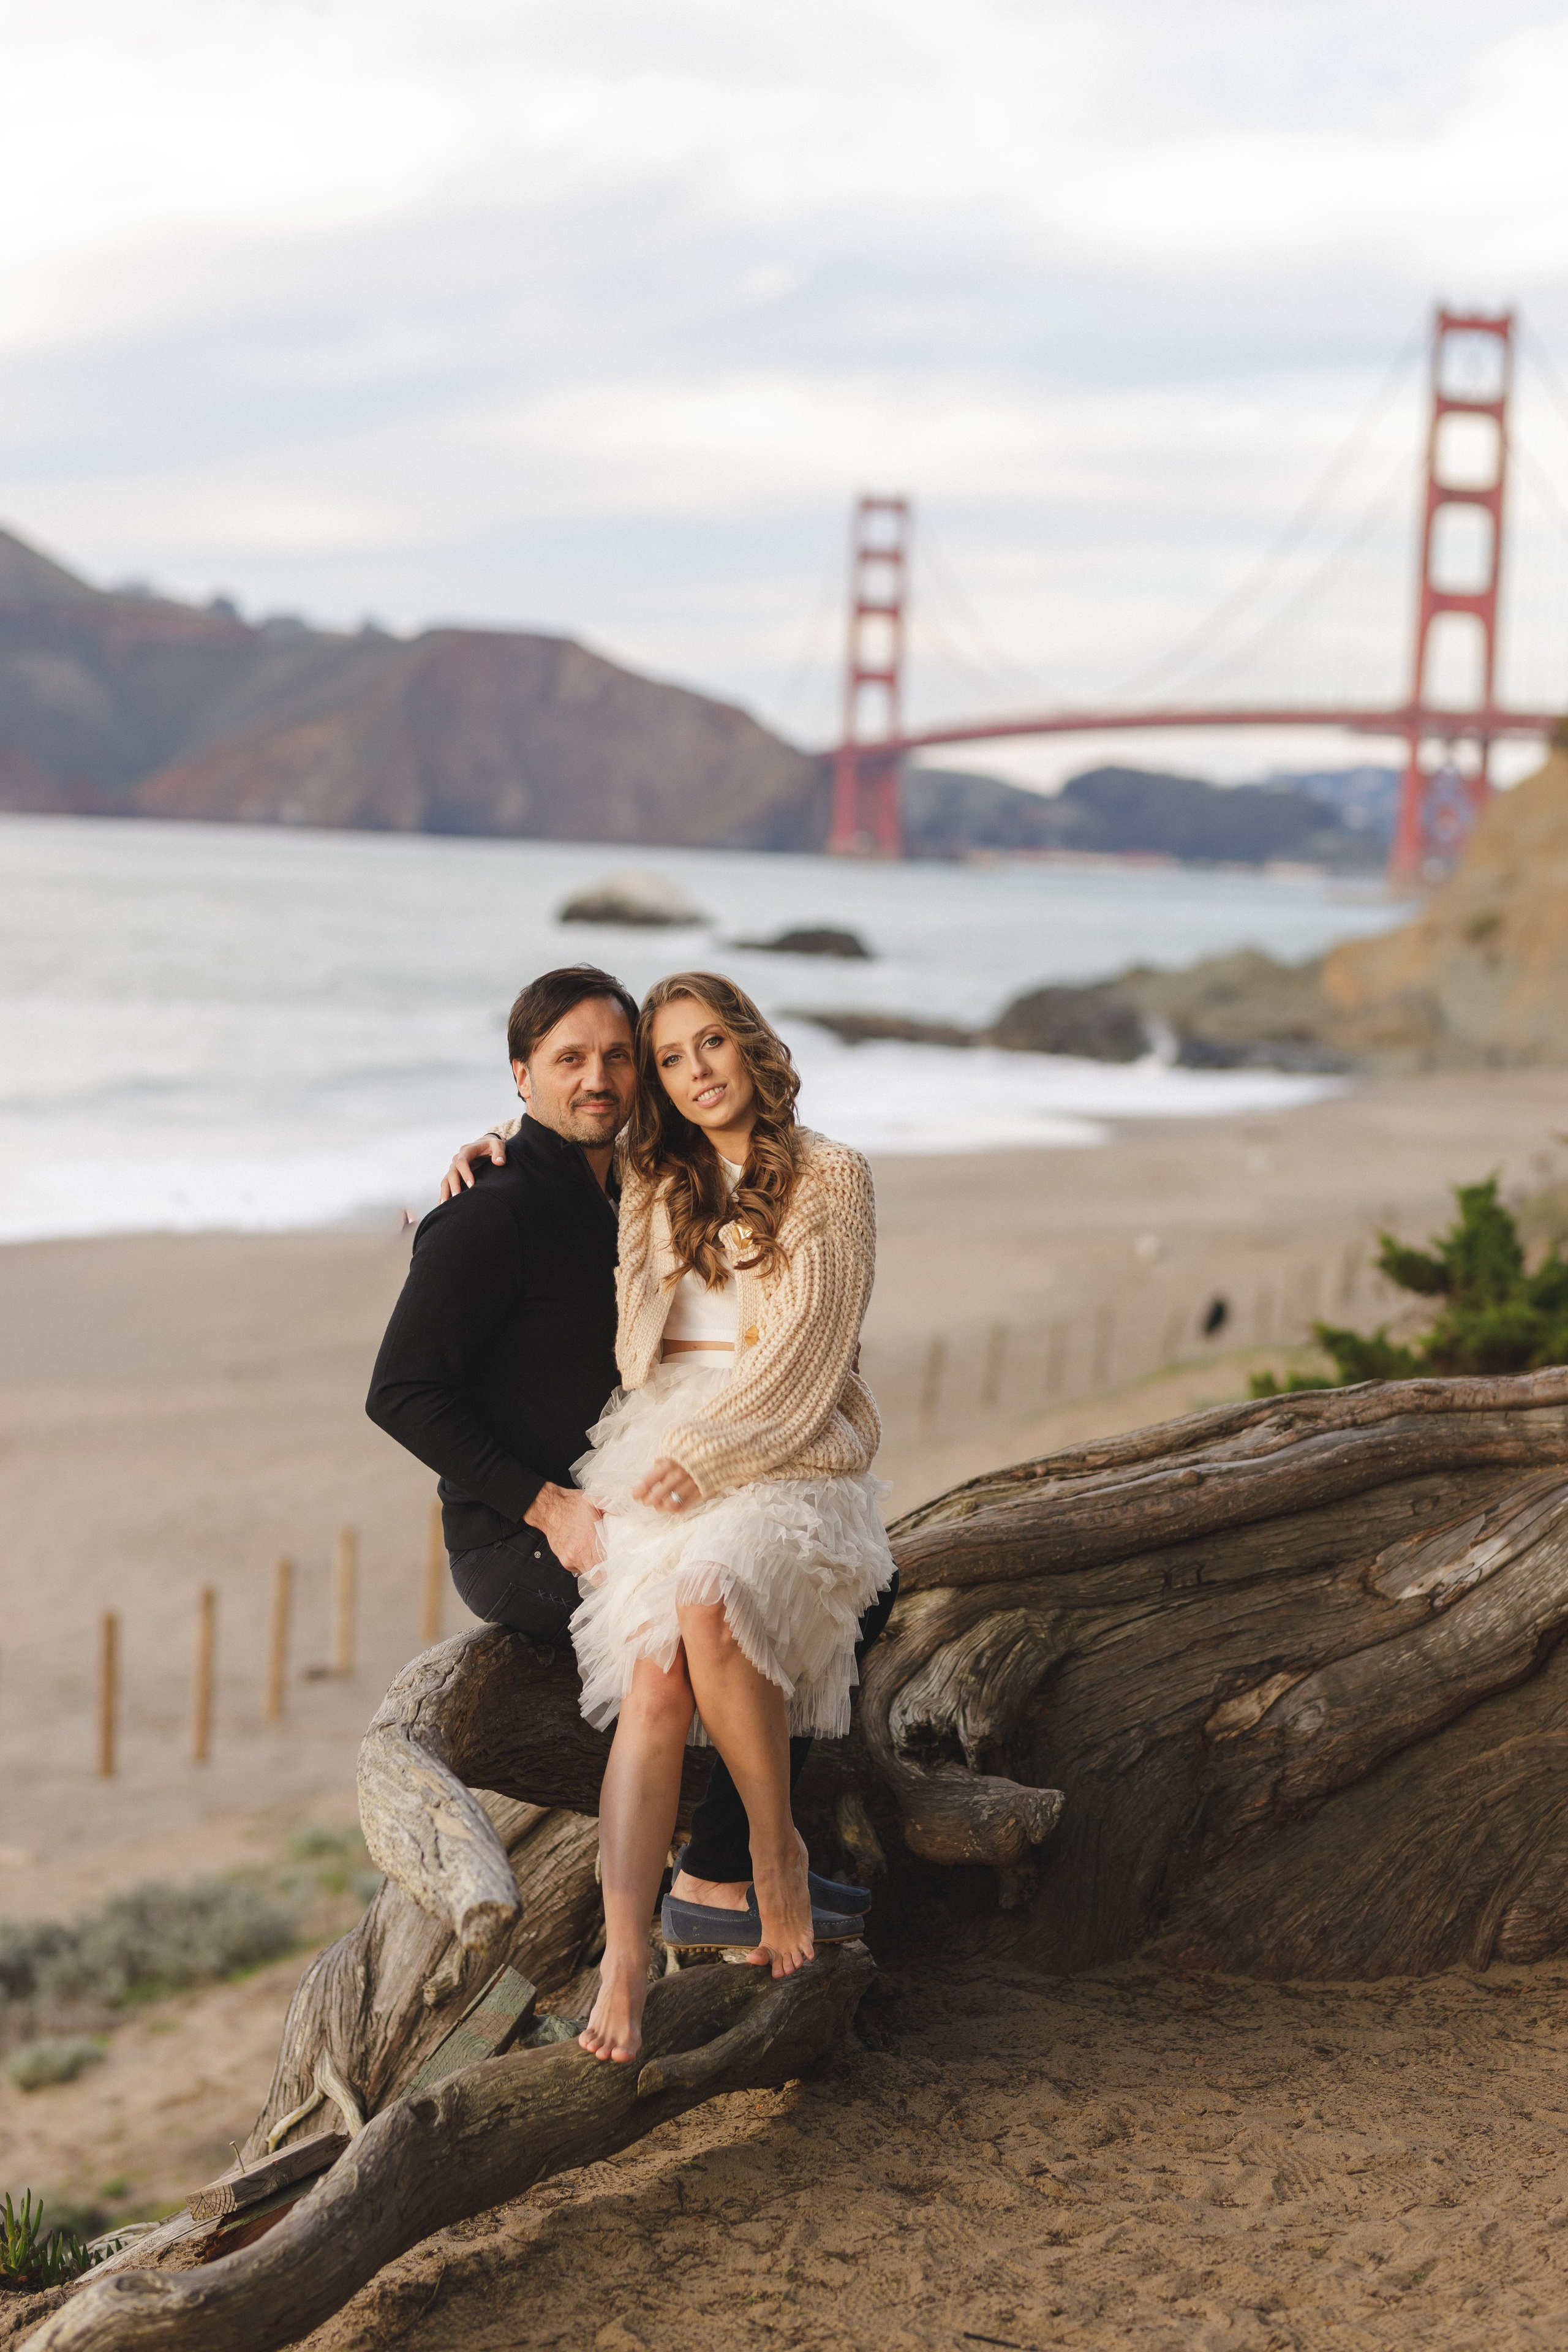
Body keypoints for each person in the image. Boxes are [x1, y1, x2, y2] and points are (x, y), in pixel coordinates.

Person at [369, 963, 893, 1978]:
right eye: (571, 1062)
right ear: (522, 1076)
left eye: (619, 1058)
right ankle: (704, 1893)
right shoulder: (492, 1210)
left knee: (838, 1593)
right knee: (687, 1638)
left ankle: (727, 1871)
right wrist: (546, 1503)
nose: (600, 1079)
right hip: (526, 1522)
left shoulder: (642, 1180)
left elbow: (771, 1315)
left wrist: (509, 1132)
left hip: (670, 1463)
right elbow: (400, 1394)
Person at [565, 971, 896, 2065]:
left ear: (752, 1048)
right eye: (671, 1057)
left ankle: (773, 1855)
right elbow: (554, 1130)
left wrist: (708, 1456)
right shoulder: (655, 1184)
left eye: (712, 1044)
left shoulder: (830, 1176)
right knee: (655, 1678)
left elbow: (805, 1362)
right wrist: (480, 1151)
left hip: (788, 1453)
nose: (697, 1070)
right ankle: (625, 1956)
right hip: (658, 1440)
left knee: (711, 1598)